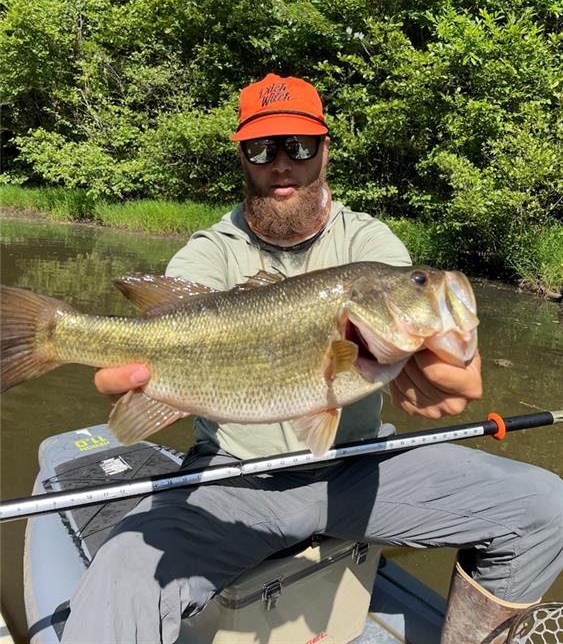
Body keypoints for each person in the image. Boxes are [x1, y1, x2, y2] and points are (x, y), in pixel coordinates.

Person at [61, 74, 562, 644]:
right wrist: (141, 386)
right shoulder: (209, 252)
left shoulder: (369, 248)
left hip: (360, 466)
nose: (282, 165)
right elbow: (173, 314)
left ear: (324, 151)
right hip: (235, 481)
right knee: (124, 571)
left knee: (546, 506)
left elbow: (440, 354)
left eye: (299, 147)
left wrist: (448, 365)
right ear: (242, 158)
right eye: (262, 148)